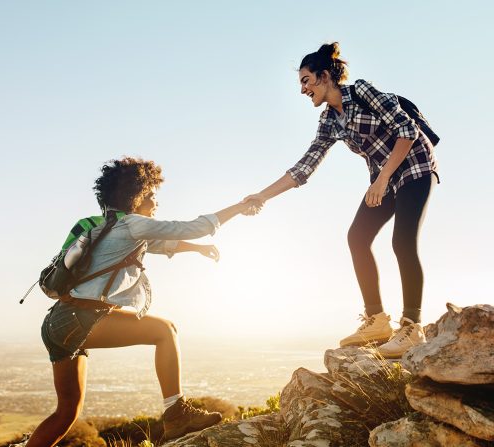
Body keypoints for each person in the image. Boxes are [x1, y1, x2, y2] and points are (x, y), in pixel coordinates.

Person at [27, 157, 255, 447]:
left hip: (57, 323)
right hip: (81, 320)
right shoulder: (134, 225)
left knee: (66, 413)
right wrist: (239, 207)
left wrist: (198, 249)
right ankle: (176, 412)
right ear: (136, 197)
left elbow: (164, 244)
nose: (156, 202)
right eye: (151, 195)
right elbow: (193, 226)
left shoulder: (105, 227)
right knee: (165, 330)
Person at [243, 42, 439, 358]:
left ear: (324, 76)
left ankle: (412, 327)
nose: (303, 89)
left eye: (305, 81)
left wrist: (383, 178)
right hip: (384, 180)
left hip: (414, 166)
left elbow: (408, 131)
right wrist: (262, 196)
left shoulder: (362, 92)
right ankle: (376, 320)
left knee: (402, 242)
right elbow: (304, 168)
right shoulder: (329, 121)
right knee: (357, 237)